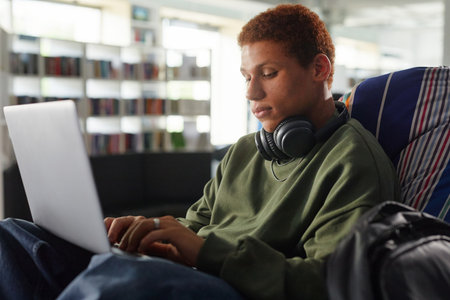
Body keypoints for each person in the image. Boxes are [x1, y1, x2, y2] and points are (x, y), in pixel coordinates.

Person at [0, 4, 400, 300]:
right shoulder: (246, 151)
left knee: (122, 279)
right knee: (13, 235)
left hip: (235, 289)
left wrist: (207, 252)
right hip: (191, 270)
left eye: (268, 73)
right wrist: (149, 232)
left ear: (319, 70)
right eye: (246, 77)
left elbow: (327, 283)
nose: (251, 93)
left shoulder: (354, 160)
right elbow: (196, 223)